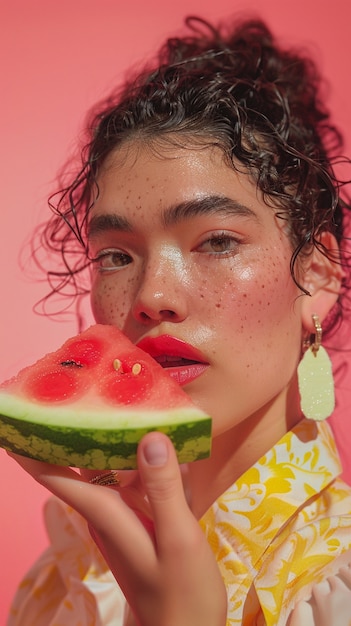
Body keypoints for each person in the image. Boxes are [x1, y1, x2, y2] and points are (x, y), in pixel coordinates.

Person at [6, 14, 351, 626]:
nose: (153, 295)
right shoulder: (70, 569)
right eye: (117, 256)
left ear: (318, 276)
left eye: (216, 241)